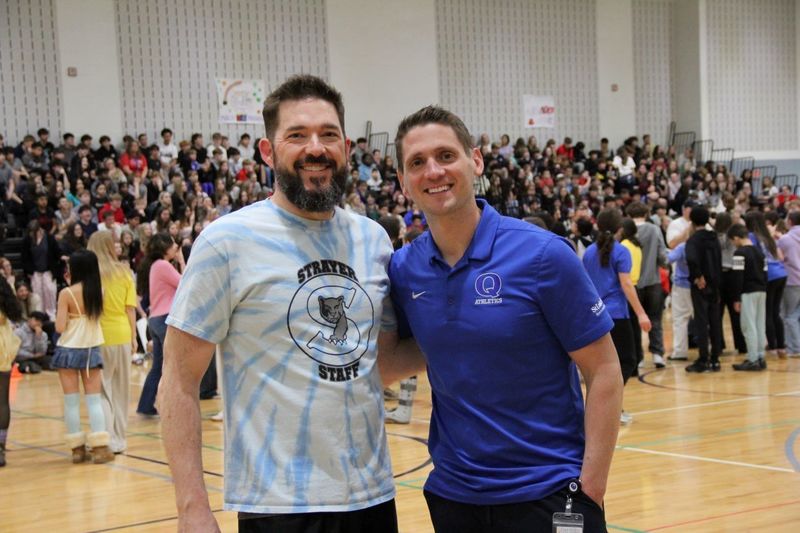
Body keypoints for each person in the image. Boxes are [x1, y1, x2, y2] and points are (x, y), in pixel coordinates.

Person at [159, 75, 399, 532]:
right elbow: (179, 380)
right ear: (268, 152)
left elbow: (378, 363)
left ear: (346, 147)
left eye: (328, 134)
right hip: (279, 506)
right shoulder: (227, 241)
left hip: (372, 496)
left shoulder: (373, 240)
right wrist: (192, 508)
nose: (316, 147)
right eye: (297, 135)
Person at [383, 106, 622, 531]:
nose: (433, 170)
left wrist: (590, 488)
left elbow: (603, 370)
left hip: (550, 492)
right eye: (417, 163)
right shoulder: (404, 269)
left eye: (445, 155)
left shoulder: (544, 255)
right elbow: (407, 355)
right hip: (455, 497)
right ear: (403, 182)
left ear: (475, 161)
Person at [584, 209, 651, 425]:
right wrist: (641, 313)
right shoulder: (621, 251)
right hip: (617, 315)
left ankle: (610, 407)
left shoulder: (588, 252)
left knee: (604, 365)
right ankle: (608, 406)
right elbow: (626, 284)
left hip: (596, 314)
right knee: (628, 360)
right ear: (620, 228)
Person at [52, 250, 114, 463]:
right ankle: (100, 449)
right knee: (93, 400)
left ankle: (77, 450)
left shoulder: (66, 294)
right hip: (90, 349)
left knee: (71, 402)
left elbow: (60, 327)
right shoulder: (100, 291)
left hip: (68, 350)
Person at [87, 231, 137, 454]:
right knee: (121, 390)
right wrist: (135, 337)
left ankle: (105, 437)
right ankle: (120, 439)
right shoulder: (124, 273)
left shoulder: (90, 275)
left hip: (100, 336)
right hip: (123, 334)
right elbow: (130, 309)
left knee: (103, 391)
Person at [135, 233, 183, 416]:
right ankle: (173, 405)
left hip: (155, 318)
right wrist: (181, 260)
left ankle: (146, 405)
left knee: (158, 366)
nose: (176, 246)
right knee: (174, 365)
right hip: (165, 318)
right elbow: (185, 283)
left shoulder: (156, 265)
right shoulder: (162, 265)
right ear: (165, 246)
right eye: (173, 243)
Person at [626, 202, 667, 369]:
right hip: (653, 281)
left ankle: (639, 356)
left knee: (635, 321)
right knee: (655, 318)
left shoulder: (627, 230)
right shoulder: (654, 229)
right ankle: (658, 354)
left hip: (632, 283)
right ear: (646, 213)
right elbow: (662, 255)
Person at [685, 206, 723, 373]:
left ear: (692, 221)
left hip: (701, 284)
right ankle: (715, 358)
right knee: (715, 320)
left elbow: (692, 259)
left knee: (701, 321)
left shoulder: (693, 240)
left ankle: (703, 358)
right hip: (715, 283)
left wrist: (698, 276)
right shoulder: (714, 238)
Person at [744, 211, 787, 357]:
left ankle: (773, 346)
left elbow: (754, 257)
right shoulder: (768, 235)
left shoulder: (751, 236)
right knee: (776, 312)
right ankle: (781, 346)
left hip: (769, 274)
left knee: (768, 312)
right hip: (781, 273)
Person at [727, 224, 767, 371]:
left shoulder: (739, 253)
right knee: (759, 324)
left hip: (747, 292)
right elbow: (765, 274)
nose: (733, 243)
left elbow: (738, 277)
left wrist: (736, 298)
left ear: (736, 238)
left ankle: (752, 359)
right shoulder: (760, 252)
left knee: (748, 326)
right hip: (762, 290)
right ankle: (760, 356)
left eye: (732, 240)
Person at [0, 279, 22, 466]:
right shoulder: (4, 289)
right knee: (2, 400)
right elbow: (15, 314)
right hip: (3, 344)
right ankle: (0, 448)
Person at [778, 211, 800, 356]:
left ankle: (794, 347)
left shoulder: (785, 239)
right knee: (797, 314)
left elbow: (780, 258)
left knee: (789, 315)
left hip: (791, 279)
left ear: (790, 221)